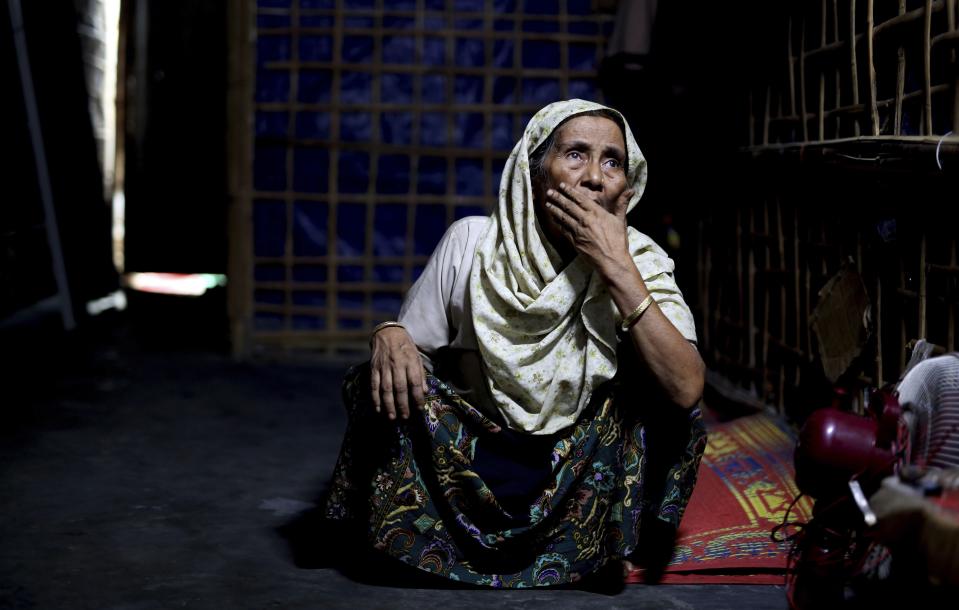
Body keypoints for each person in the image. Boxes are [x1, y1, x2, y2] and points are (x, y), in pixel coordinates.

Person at [325, 99, 706, 587]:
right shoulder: (473, 245)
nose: (593, 176)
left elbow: (686, 386)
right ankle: (416, 544)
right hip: (473, 464)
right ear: (535, 173)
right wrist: (389, 334)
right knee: (375, 382)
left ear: (626, 191)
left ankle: (604, 543)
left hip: (578, 471)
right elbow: (409, 356)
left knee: (662, 404)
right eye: (575, 155)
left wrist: (616, 267)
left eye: (612, 161)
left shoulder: (643, 262)